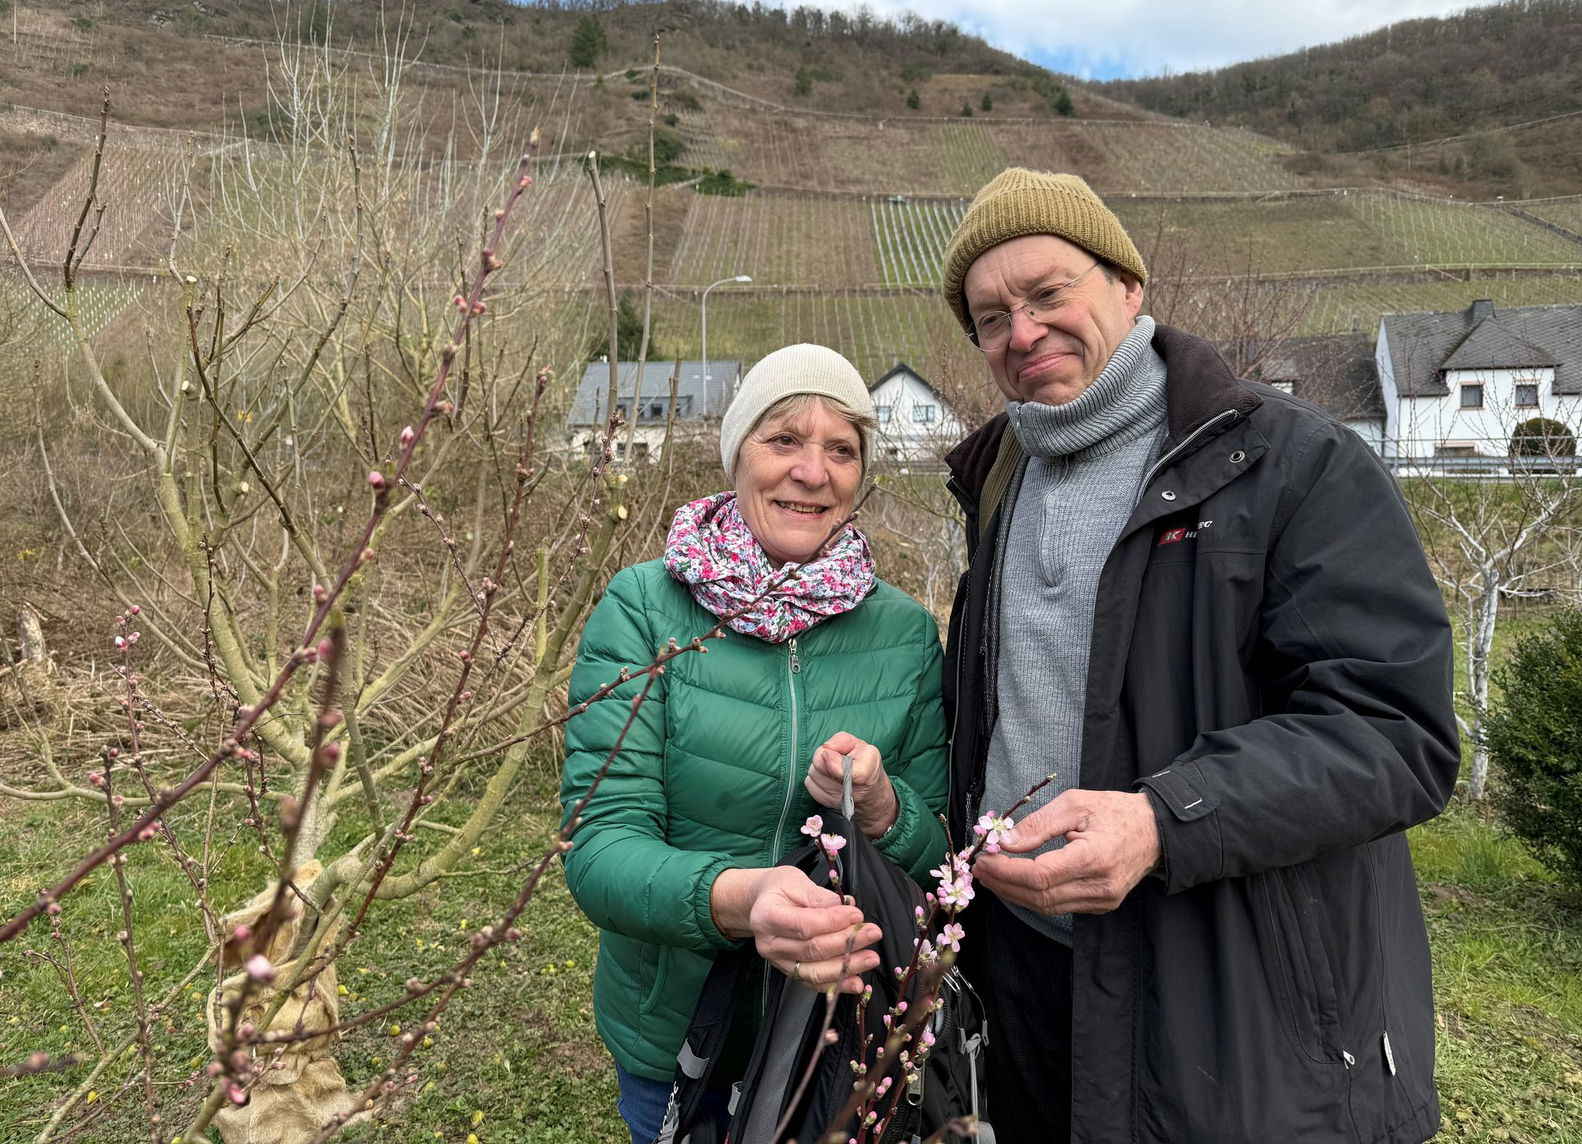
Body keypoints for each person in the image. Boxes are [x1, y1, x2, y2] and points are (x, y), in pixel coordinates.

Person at [937, 169, 1459, 1143]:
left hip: (1227, 993)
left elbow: (1395, 734)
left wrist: (1160, 822)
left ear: (1127, 285)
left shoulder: (1291, 462)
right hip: (1029, 973)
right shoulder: (995, 480)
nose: (1022, 332)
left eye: (1048, 294)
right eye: (991, 317)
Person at [561, 343, 948, 1144]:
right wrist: (742, 900)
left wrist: (887, 811)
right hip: (680, 1038)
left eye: (841, 449)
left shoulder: (905, 632)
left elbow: (939, 861)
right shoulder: (645, 609)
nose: (812, 472)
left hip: (837, 1042)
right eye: (784, 440)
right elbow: (599, 850)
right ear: (737, 454)